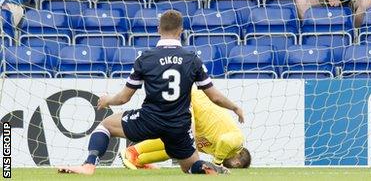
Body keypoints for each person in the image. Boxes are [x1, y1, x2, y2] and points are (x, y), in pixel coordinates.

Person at [57, 10, 245, 175]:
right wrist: (235, 107)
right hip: (179, 125)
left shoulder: (145, 58)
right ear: (181, 31)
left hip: (150, 120)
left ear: (158, 29)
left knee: (105, 126)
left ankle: (88, 165)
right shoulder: (192, 59)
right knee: (189, 166)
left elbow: (124, 98)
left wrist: (108, 100)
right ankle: (203, 167)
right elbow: (214, 96)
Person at [121, 89, 251, 169]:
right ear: (238, 161)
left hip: (192, 106)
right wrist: (217, 164)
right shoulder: (237, 142)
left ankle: (137, 159)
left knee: (178, 147)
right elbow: (225, 141)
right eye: (237, 165)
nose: (234, 166)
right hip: (190, 99)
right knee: (175, 137)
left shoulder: (214, 149)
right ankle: (133, 151)